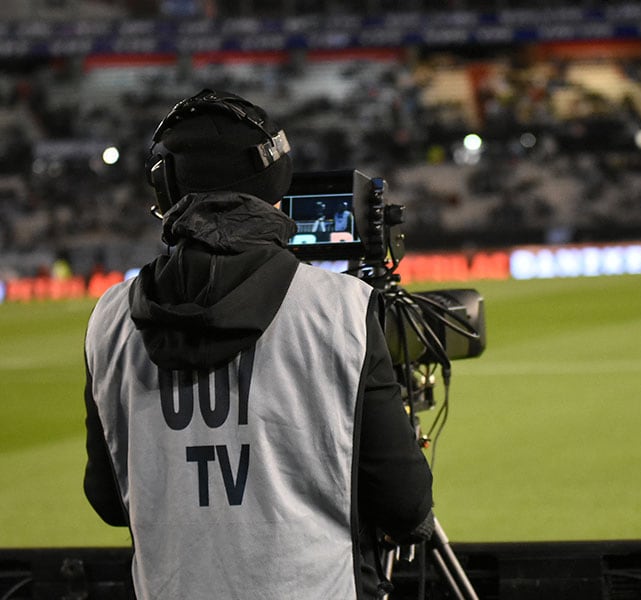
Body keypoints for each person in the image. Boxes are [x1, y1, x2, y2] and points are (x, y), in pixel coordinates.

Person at [82, 89, 434, 599]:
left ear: (164, 192)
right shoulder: (340, 308)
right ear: (275, 182)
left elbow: (110, 501)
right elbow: (405, 507)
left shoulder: (110, 319)